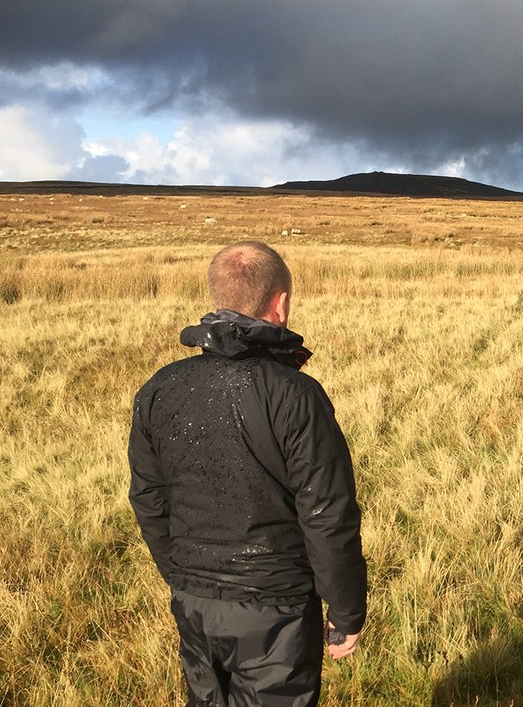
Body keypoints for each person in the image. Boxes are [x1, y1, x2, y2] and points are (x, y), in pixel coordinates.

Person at [128, 241, 367, 706]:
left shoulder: (159, 388)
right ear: (279, 304)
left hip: (193, 602)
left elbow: (148, 499)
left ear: (216, 297)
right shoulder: (294, 394)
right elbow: (326, 514)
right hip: (275, 609)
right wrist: (345, 611)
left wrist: (180, 576)